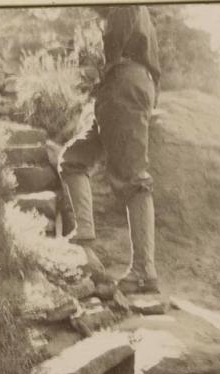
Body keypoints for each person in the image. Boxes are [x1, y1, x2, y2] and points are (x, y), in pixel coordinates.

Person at [58, 5, 161, 294]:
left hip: (123, 84)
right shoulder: (141, 16)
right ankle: (85, 233)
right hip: (124, 86)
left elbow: (113, 44)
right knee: (73, 158)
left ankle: (144, 271)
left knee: (134, 179)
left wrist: (102, 70)